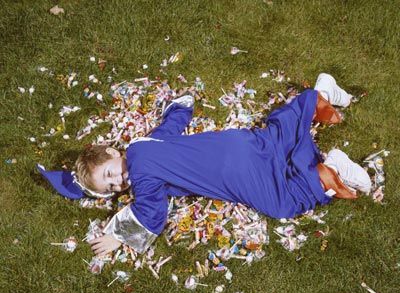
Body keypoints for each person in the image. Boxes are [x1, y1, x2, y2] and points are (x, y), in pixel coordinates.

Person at [38, 73, 371, 256]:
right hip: (236, 142)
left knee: (282, 202)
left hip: (235, 175)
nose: (119, 182)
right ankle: (316, 98)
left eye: (111, 174)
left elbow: (151, 213)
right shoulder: (143, 144)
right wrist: (181, 105)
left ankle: (331, 174)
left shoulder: (143, 180)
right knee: (277, 136)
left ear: (113, 153)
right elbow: (172, 123)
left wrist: (118, 236)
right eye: (111, 187)